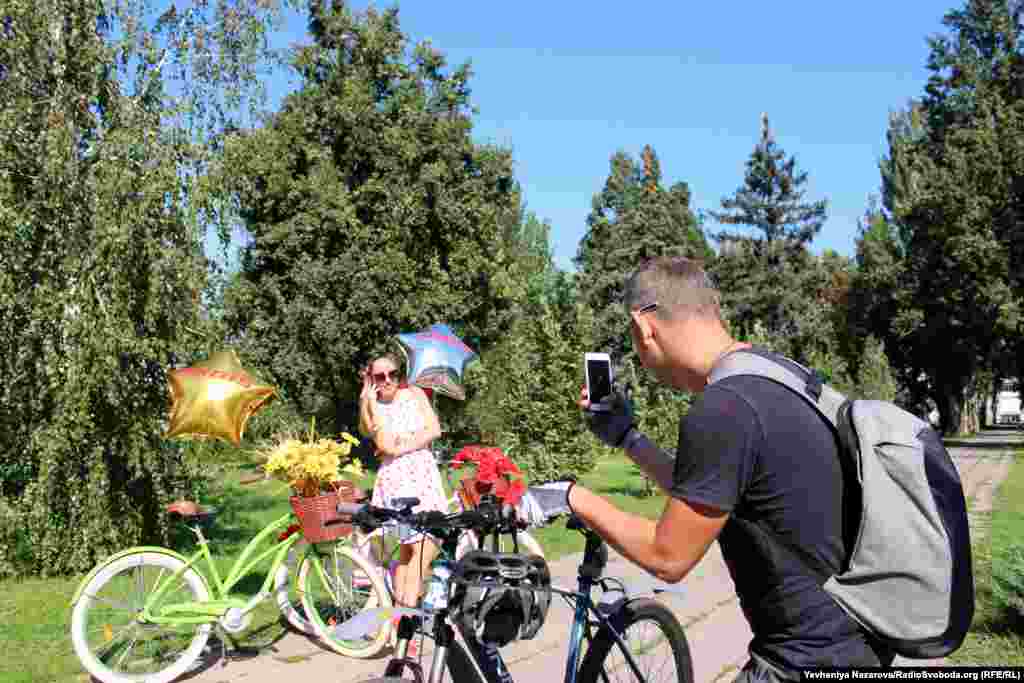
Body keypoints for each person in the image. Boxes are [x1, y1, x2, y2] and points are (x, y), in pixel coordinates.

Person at [522, 256, 894, 681]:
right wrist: (627, 438)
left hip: (803, 661)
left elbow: (669, 557)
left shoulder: (723, 408)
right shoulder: (776, 376)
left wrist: (571, 496)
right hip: (857, 642)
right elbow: (714, 493)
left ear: (643, 327)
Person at [358, 352, 446, 610]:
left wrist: (400, 446)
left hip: (424, 476)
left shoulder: (415, 394)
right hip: (397, 483)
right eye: (379, 376)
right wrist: (370, 404)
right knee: (419, 551)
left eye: (392, 374)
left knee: (413, 553)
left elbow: (434, 430)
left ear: (399, 375)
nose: (387, 380)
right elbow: (383, 443)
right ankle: (405, 616)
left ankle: (400, 621)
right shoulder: (371, 407)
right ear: (370, 380)